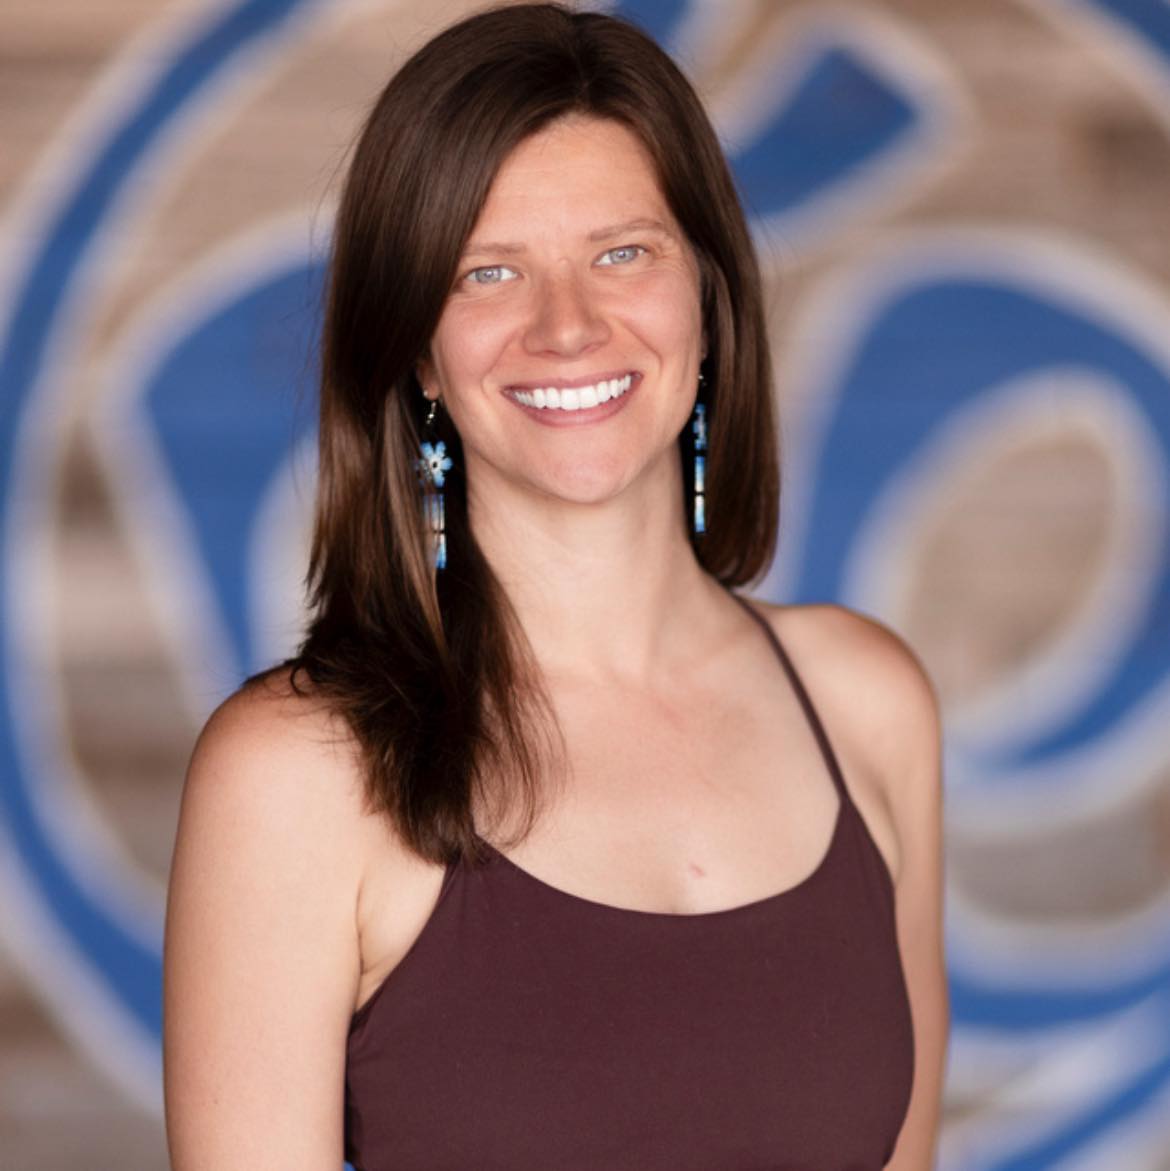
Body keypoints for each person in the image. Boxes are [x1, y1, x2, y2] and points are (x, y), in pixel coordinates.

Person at [162, 3, 948, 1168]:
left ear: (706, 295)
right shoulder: (297, 779)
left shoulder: (868, 704)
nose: (568, 325)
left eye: (622, 253)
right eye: (488, 272)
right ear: (417, 345)